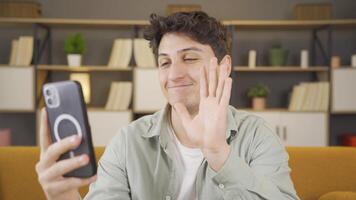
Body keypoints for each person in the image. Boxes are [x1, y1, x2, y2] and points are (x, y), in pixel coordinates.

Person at [36, 11, 300, 200]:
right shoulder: (129, 142)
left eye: (189, 58)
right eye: (165, 62)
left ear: (224, 66)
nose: (174, 74)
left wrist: (219, 153)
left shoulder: (256, 136)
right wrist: (65, 197)